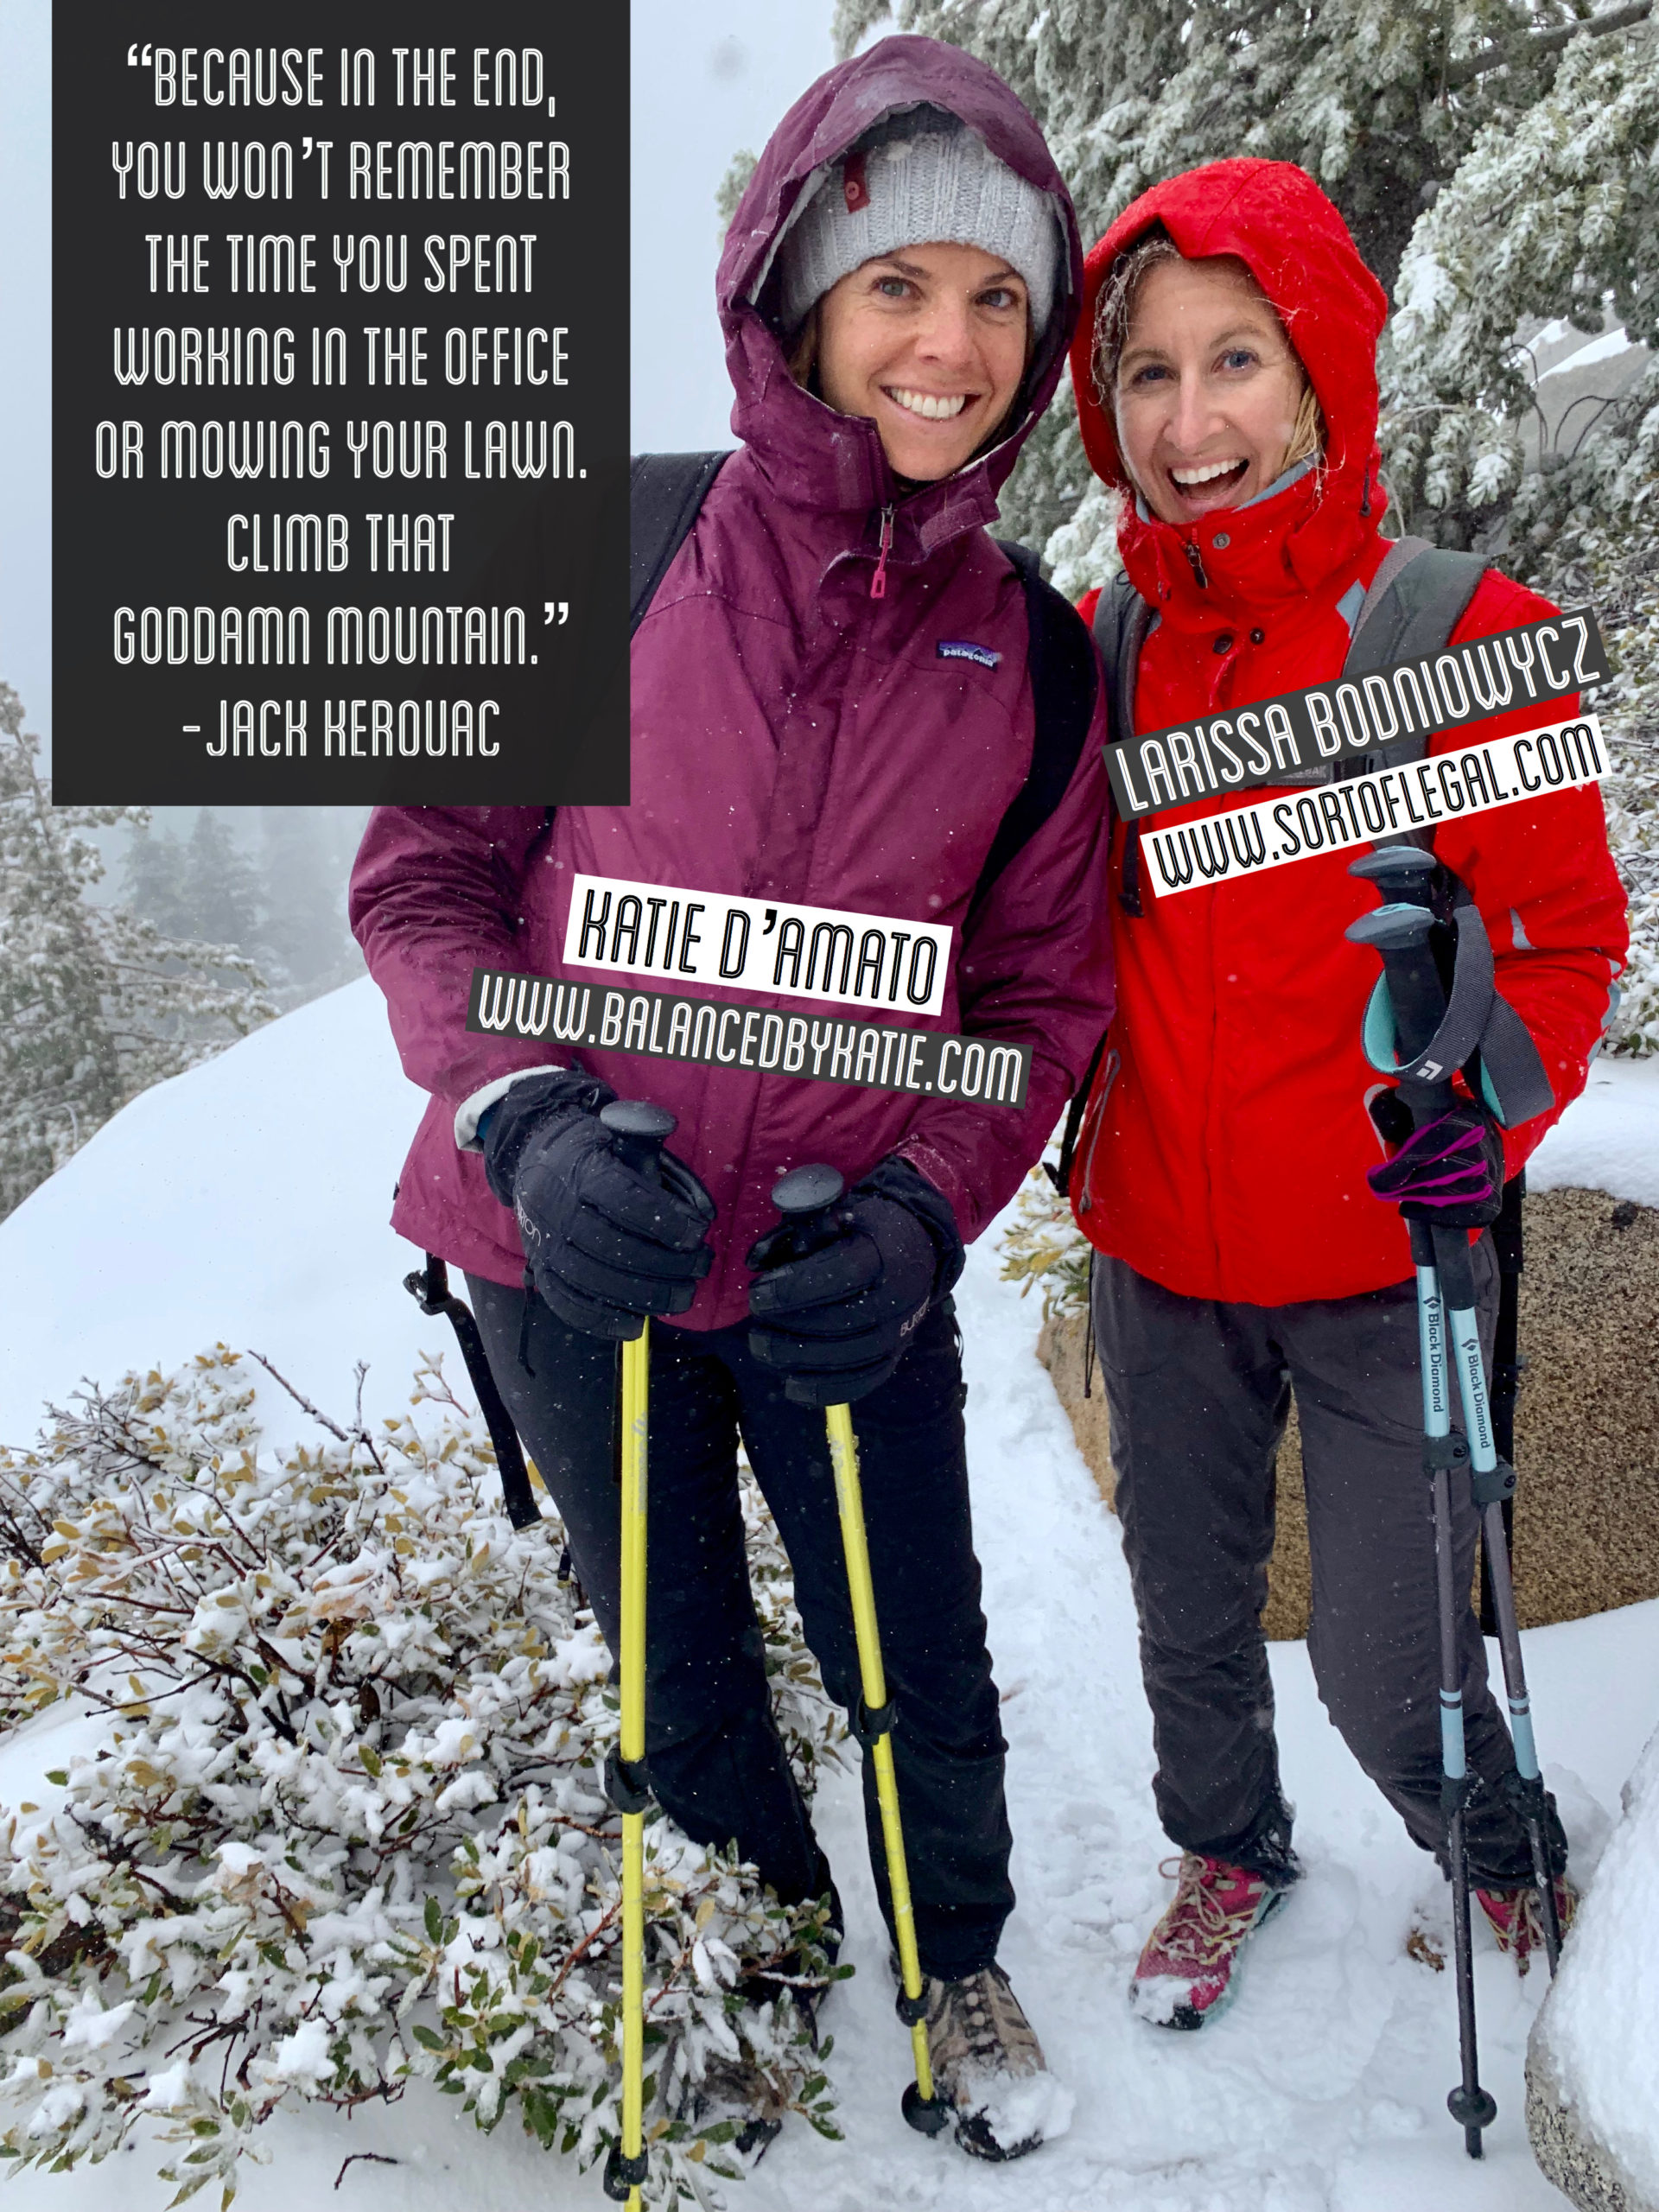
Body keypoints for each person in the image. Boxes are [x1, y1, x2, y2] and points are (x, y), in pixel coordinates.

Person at [350, 35, 1111, 2162]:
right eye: (898, 287)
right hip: (565, 1244)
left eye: (997, 298)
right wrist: (521, 1112)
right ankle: (757, 1929)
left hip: (837, 1254)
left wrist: (920, 1209)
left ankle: (954, 1941)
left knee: (915, 1639)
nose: (947, 342)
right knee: (669, 1638)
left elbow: (1040, 994)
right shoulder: (608, 538)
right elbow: (424, 863)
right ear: (796, 289)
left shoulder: (1033, 663)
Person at [1061, 159, 1629, 2029]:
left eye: (1238, 360)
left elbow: (1562, 940)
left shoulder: (1469, 633)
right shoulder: (1108, 654)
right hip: (1160, 1249)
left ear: (1322, 381)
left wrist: (1492, 1106)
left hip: (1389, 1254)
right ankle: (1226, 1847)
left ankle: (1501, 1849)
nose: (1192, 417)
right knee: (1188, 1617)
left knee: (1397, 1661)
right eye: (1147, 373)